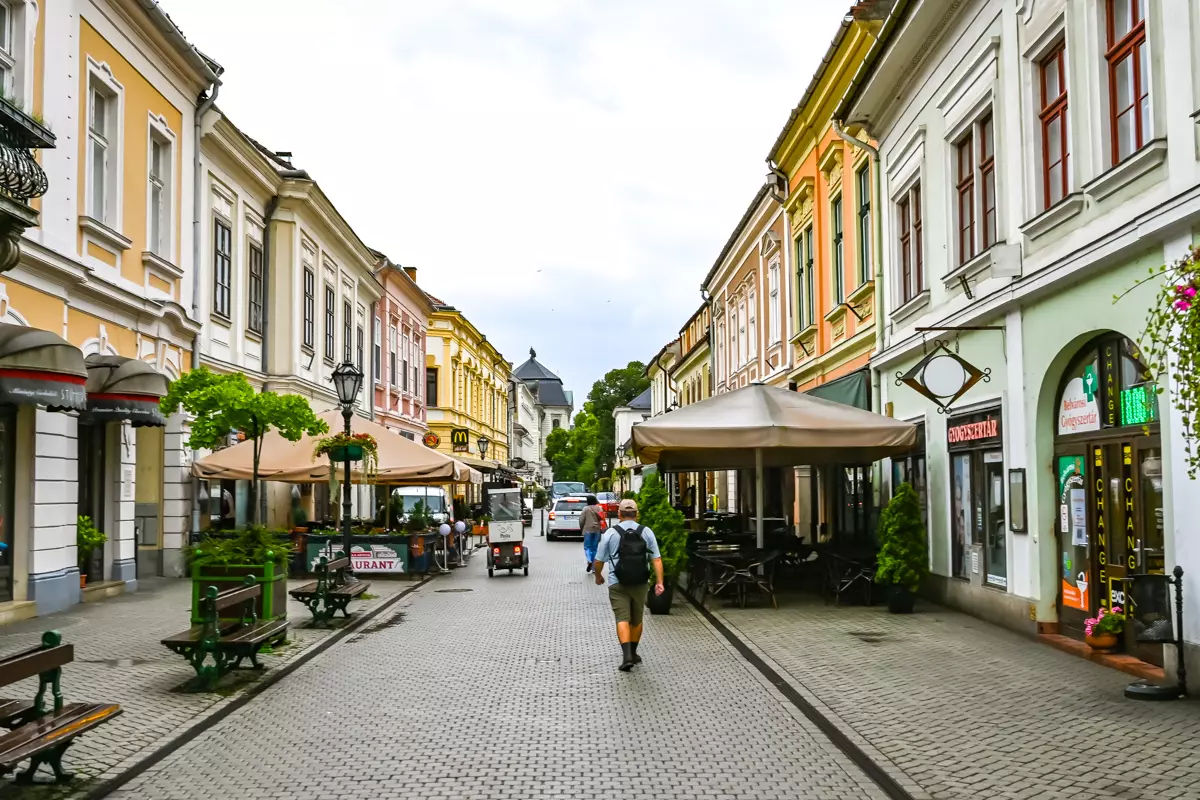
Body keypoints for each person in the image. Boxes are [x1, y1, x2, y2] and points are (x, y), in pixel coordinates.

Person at [593, 498, 663, 671]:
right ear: (637, 514)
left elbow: (598, 559)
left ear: (619, 514)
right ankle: (634, 651)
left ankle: (627, 657)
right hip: (640, 582)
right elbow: (657, 559)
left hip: (617, 582)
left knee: (622, 618)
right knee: (637, 619)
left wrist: (598, 576)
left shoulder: (610, 533)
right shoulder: (646, 532)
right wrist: (659, 582)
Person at [579, 495, 604, 572]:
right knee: (594, 548)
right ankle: (594, 568)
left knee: (587, 547)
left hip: (588, 530)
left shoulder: (585, 509)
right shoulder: (599, 508)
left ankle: (589, 560)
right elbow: (602, 518)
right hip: (597, 530)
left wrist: (581, 528)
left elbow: (581, 520)